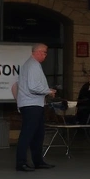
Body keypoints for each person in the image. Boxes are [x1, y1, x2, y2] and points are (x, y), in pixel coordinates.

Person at [14, 43, 57, 172]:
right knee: (27, 134)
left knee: (38, 134)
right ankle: (21, 163)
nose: (46, 55)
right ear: (37, 52)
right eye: (44, 52)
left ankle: (38, 161)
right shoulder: (33, 65)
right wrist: (48, 91)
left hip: (34, 104)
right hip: (31, 104)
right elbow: (33, 87)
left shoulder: (33, 65)